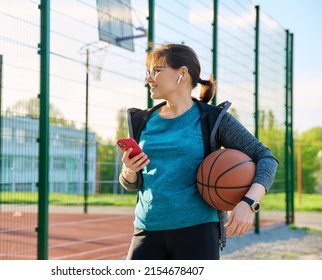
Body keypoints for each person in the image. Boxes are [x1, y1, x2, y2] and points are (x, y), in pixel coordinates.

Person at [118, 43, 278, 260]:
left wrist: (250, 203)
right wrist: (128, 171)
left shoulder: (212, 119)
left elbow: (266, 158)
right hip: (147, 228)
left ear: (181, 73)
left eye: (156, 70)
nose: (149, 78)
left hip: (197, 231)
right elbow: (132, 183)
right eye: (148, 72)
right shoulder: (142, 121)